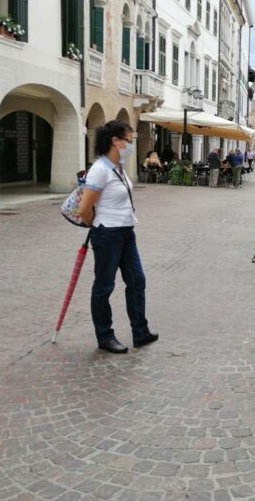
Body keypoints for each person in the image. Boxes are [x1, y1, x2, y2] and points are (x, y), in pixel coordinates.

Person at [77, 120, 158, 354]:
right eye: (129, 141)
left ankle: (140, 332)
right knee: (104, 286)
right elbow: (84, 210)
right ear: (115, 141)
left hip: (125, 231)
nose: (131, 145)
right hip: (108, 234)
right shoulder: (100, 169)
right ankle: (105, 336)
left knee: (137, 280)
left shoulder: (118, 166)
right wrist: (100, 227)